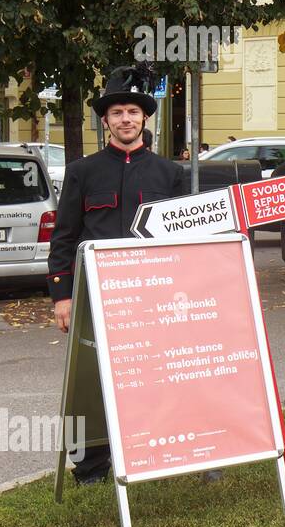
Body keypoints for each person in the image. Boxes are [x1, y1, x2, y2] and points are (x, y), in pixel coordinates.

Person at [47, 66, 187, 485]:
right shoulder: (82, 172)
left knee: (155, 376)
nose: (126, 119)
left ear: (144, 118)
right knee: (91, 381)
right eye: (117, 112)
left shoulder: (170, 174)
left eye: (132, 111)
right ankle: (91, 464)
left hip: (154, 297)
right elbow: (64, 238)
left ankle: (154, 451)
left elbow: (184, 243)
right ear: (105, 120)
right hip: (95, 296)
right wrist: (62, 296)